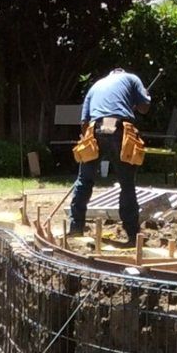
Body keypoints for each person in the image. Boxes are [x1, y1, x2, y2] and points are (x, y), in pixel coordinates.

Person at [67, 67, 153, 245]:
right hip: (119, 129)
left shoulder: (96, 85)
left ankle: (75, 228)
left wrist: (87, 144)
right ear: (121, 73)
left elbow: (84, 122)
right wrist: (144, 96)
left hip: (95, 128)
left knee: (84, 180)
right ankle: (132, 235)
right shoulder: (131, 78)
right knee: (127, 184)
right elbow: (144, 108)